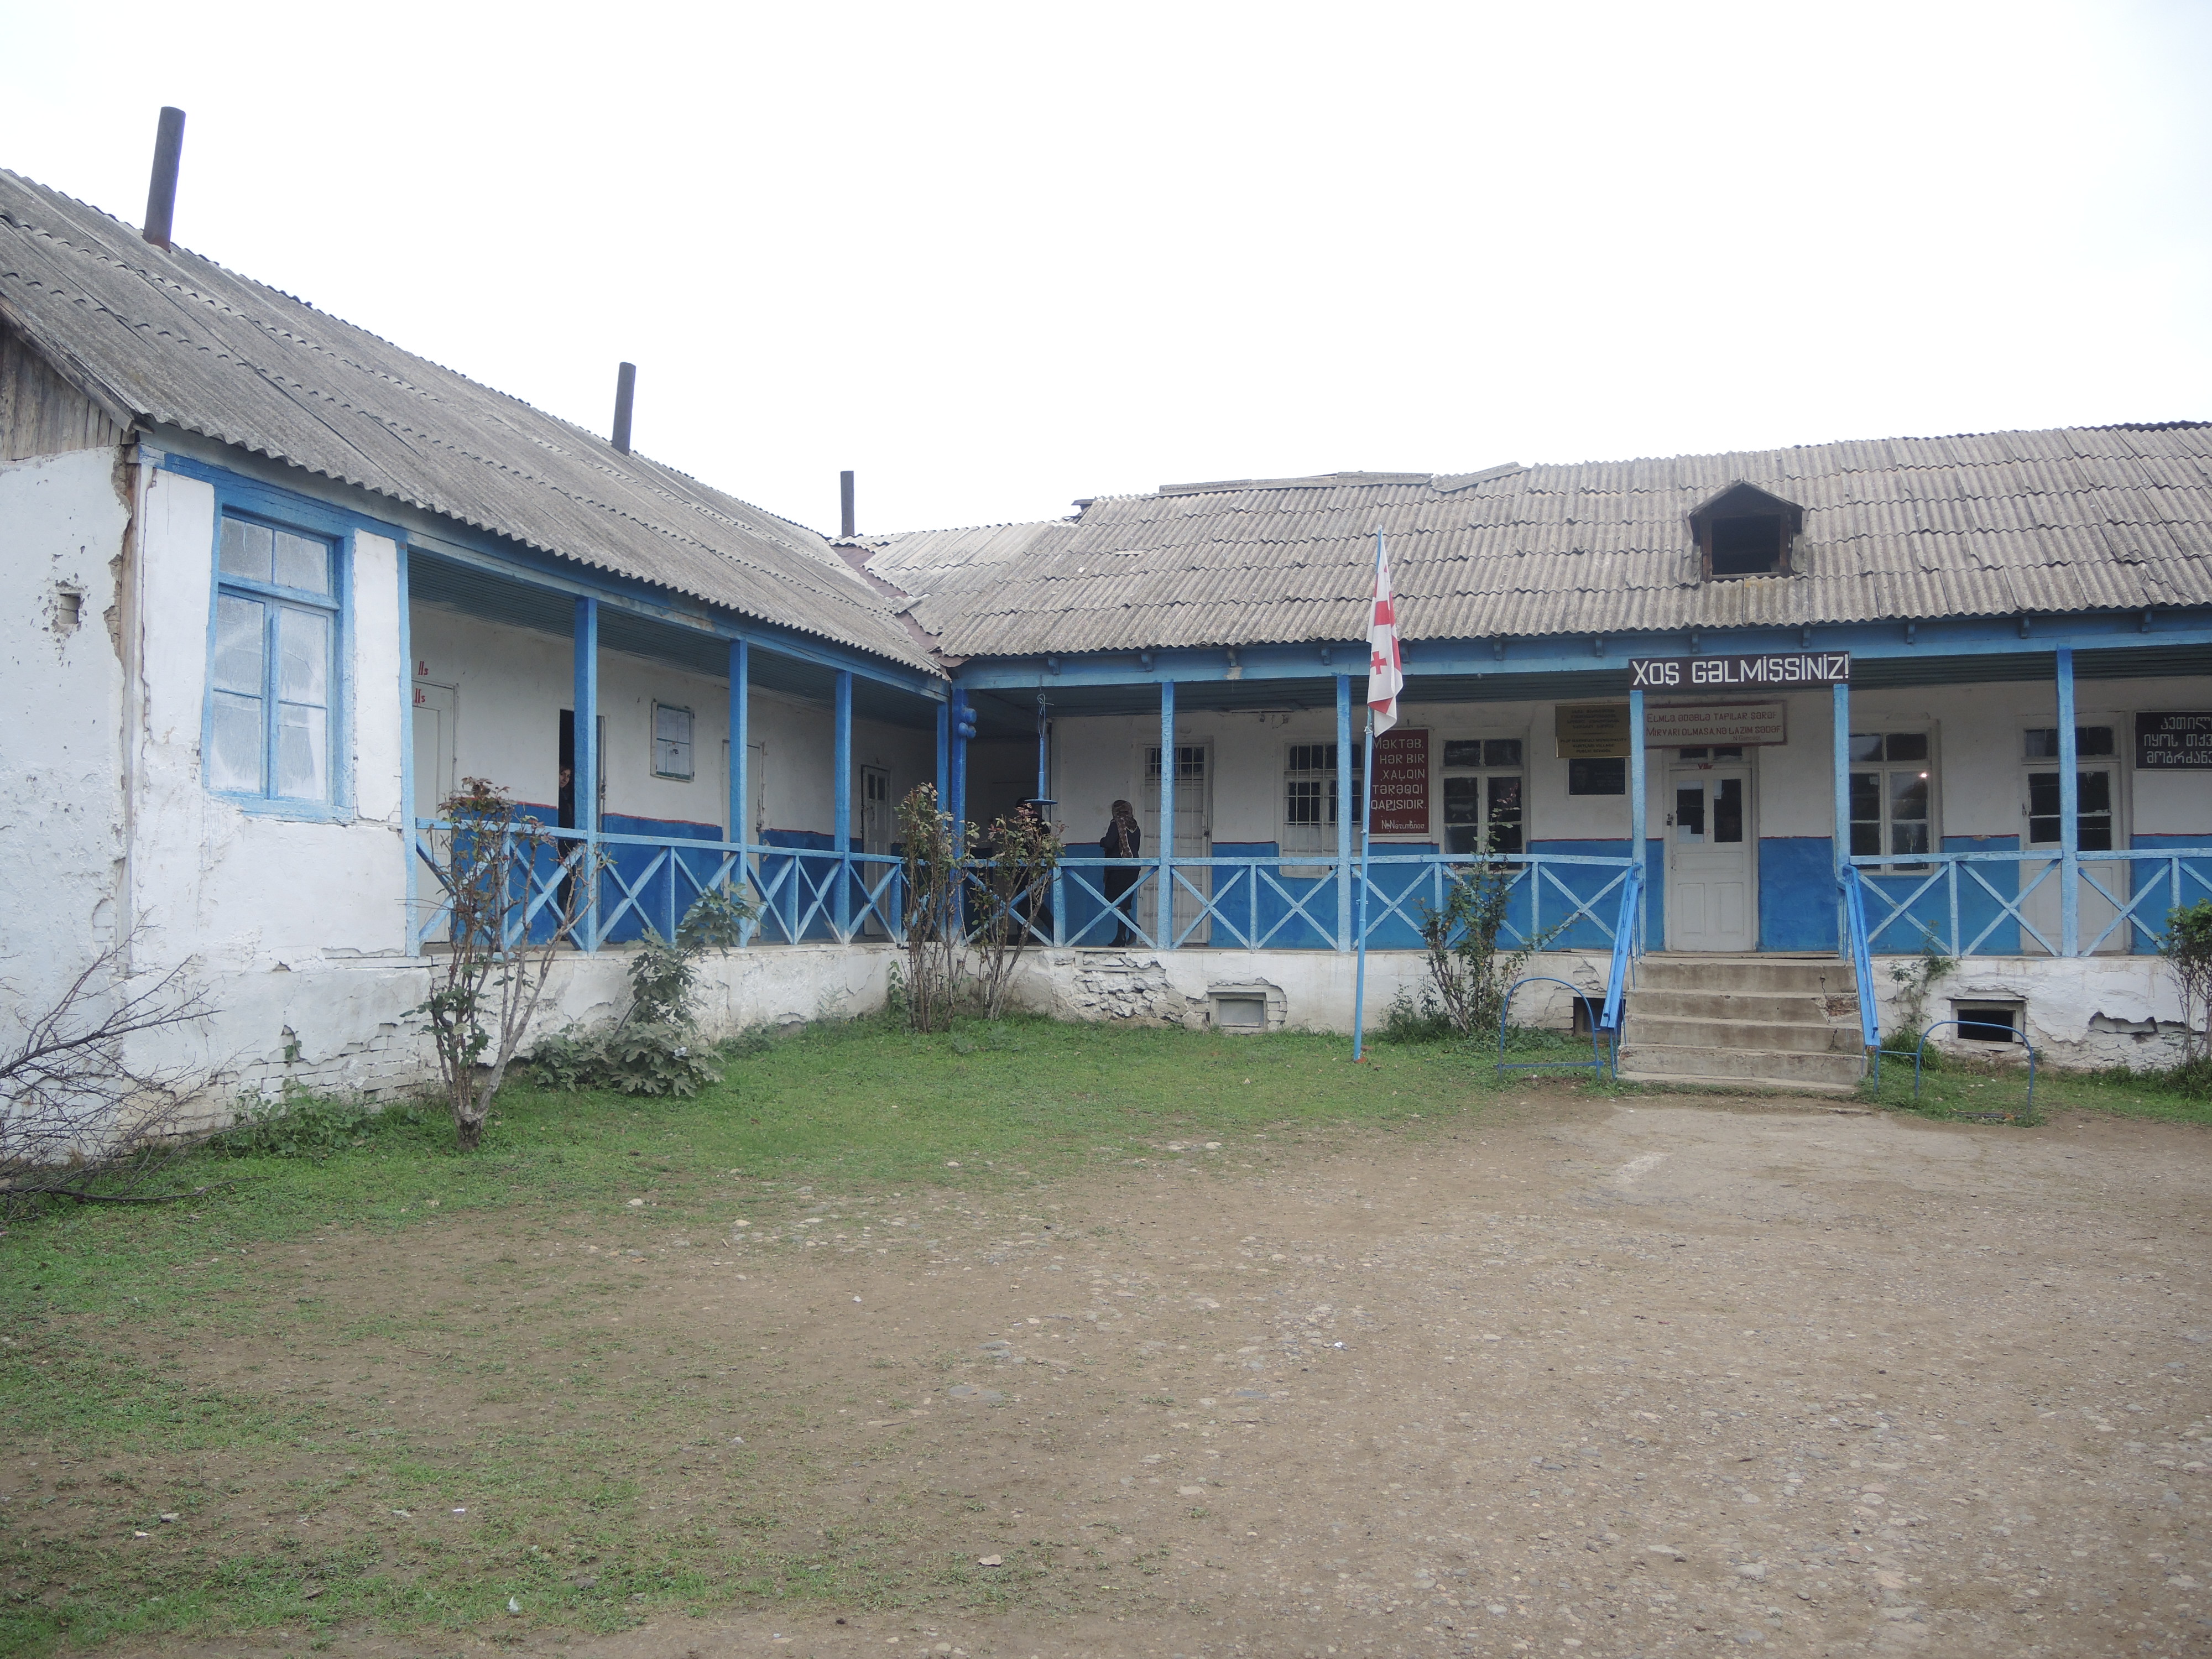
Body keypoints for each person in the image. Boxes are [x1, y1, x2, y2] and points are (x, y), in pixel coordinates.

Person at [1100, 799, 1142, 945]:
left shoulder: (1116, 824)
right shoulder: (1135, 826)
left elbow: (1109, 843)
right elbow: (1136, 847)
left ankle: (1133, 928)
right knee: (1124, 904)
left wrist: (1102, 841)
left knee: (1113, 901)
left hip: (1118, 869)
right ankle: (1120, 937)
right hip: (1133, 869)